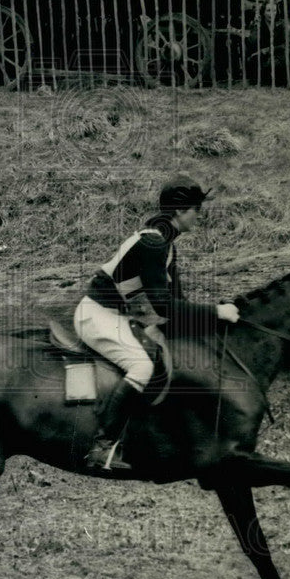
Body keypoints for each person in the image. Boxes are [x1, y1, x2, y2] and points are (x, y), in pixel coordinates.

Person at [73, 175, 239, 471]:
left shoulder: (165, 243)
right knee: (143, 366)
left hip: (120, 314)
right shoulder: (153, 242)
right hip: (97, 315)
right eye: (196, 209)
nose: (199, 215)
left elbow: (177, 302)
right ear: (179, 211)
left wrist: (209, 319)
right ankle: (102, 447)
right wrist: (215, 313)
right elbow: (164, 306)